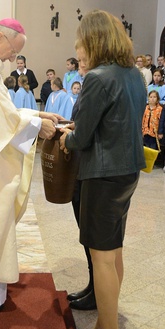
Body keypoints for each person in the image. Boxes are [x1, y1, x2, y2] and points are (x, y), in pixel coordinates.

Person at [59, 10, 146, 329]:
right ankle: (103, 325)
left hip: (101, 174)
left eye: (82, 41)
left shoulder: (97, 77)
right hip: (126, 172)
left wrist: (66, 139)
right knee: (114, 251)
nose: (79, 47)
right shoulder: (134, 75)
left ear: (93, 40)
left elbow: (83, 136)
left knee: (103, 259)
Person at [0, 19, 57, 311]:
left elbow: (4, 108)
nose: (10, 59)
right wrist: (35, 124)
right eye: (11, 52)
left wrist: (38, 116)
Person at [67, 46, 96, 312]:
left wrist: (66, 135)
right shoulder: (89, 83)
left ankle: (97, 291)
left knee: (91, 232)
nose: (80, 66)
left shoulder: (96, 83)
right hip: (84, 167)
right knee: (85, 229)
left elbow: (87, 132)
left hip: (90, 168)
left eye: (83, 60)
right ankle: (92, 285)